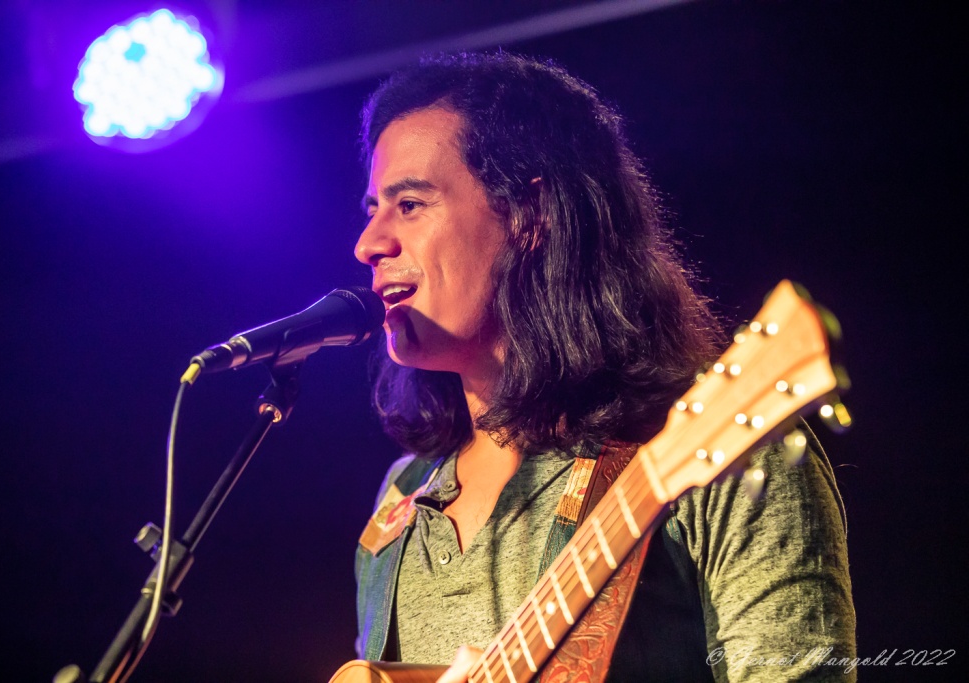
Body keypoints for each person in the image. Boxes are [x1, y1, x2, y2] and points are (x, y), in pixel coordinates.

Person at [350, 52, 855, 682]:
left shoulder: (728, 452)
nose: (368, 244)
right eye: (373, 209)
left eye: (410, 204)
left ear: (530, 216)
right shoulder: (401, 499)